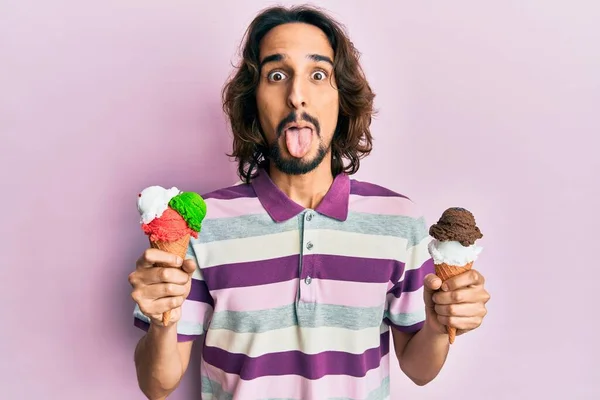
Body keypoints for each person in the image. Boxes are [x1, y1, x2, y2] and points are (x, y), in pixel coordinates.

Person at [128, 4, 491, 400]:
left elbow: (420, 371)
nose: (296, 96)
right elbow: (157, 385)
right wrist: (161, 321)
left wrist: (439, 326)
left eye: (318, 75)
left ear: (342, 100)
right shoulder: (203, 222)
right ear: (253, 101)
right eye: (277, 75)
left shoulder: (398, 221)